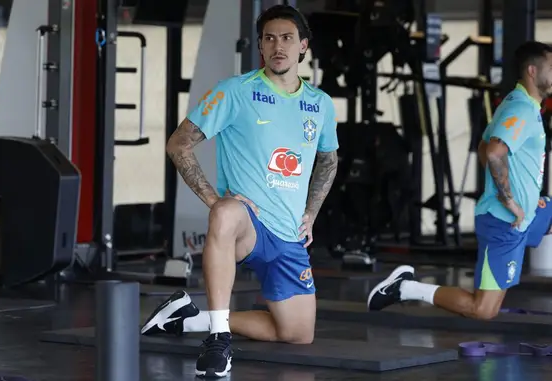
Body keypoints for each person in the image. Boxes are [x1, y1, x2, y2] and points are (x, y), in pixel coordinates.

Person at [140, 5, 338, 379]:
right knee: (227, 212)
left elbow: (328, 160)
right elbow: (179, 144)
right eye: (269, 39)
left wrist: (311, 211)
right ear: (261, 48)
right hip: (250, 225)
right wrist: (216, 201)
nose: (278, 46)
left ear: (303, 47)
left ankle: (189, 319)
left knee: (297, 334)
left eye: (287, 38)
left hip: (290, 234)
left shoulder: (320, 104)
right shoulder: (235, 91)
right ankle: (217, 339)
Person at [368, 41, 552, 320]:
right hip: (505, 222)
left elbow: (483, 146)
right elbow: (492, 152)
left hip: (526, 213)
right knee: (483, 310)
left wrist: (524, 192)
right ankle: (404, 288)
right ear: (531, 71)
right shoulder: (521, 109)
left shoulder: (521, 104)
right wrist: (510, 200)